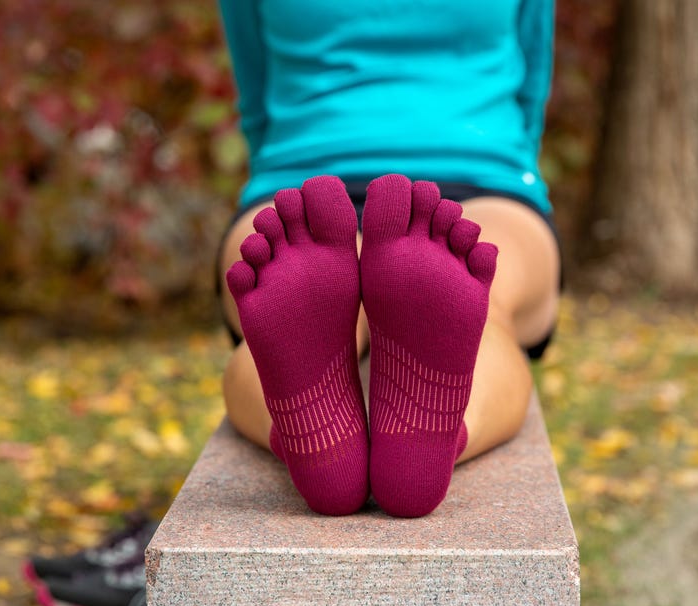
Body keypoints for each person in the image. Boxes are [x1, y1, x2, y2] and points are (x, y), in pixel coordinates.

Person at [218, 0, 560, 518]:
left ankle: (314, 439)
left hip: (301, 180)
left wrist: (270, 167)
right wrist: (520, 166)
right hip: (485, 174)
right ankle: (436, 442)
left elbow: (254, 86)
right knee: (486, 312)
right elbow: (532, 80)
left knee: (268, 337)